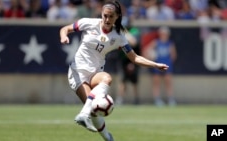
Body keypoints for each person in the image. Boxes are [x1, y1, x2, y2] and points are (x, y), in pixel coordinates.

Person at [59, 0, 169, 141]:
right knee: (93, 110)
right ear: (101, 14)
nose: (107, 19)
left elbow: (134, 58)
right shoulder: (89, 22)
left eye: (111, 16)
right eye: (105, 15)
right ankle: (106, 136)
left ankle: (85, 116)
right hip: (77, 72)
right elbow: (65, 29)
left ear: (117, 17)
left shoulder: (118, 36)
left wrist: (155, 65)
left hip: (95, 74)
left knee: (107, 79)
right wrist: (64, 36)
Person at [144, 26, 177, 107]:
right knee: (156, 82)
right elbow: (146, 51)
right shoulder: (156, 42)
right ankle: (157, 99)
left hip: (166, 65)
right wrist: (151, 58)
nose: (164, 35)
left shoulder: (170, 43)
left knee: (168, 81)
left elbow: (173, 55)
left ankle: (170, 99)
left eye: (165, 33)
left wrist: (169, 62)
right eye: (162, 33)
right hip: (157, 65)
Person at [116, 27, 141, 105]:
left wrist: (125, 33)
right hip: (124, 59)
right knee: (123, 80)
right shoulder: (118, 32)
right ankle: (120, 99)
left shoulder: (134, 30)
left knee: (134, 81)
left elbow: (134, 42)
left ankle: (136, 99)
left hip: (134, 58)